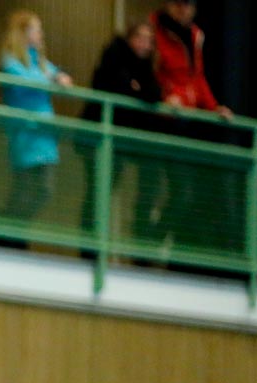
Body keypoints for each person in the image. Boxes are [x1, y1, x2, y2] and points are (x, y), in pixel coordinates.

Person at [148, 0, 240, 263]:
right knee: (155, 188)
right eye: (178, 4)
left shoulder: (195, 35)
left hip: (185, 121)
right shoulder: (154, 29)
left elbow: (195, 78)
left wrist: (213, 108)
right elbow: (151, 72)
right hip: (161, 121)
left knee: (186, 193)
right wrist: (164, 98)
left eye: (187, 4)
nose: (183, 9)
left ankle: (156, 242)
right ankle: (146, 246)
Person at [75, 21, 167, 252]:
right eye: (140, 37)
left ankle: (142, 243)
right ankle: (90, 248)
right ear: (129, 38)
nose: (145, 44)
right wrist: (133, 88)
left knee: (148, 178)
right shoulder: (114, 55)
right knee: (100, 189)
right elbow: (116, 85)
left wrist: (137, 88)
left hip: (122, 137)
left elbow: (153, 93)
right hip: (99, 135)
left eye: (149, 40)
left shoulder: (146, 67)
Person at [0, 10, 72, 234]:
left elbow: (59, 75)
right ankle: (4, 231)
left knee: (43, 190)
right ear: (23, 33)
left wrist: (59, 76)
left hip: (44, 137)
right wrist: (52, 78)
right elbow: (30, 81)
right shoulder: (12, 61)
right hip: (25, 136)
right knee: (27, 190)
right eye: (36, 29)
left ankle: (11, 232)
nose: (40, 34)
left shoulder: (41, 63)